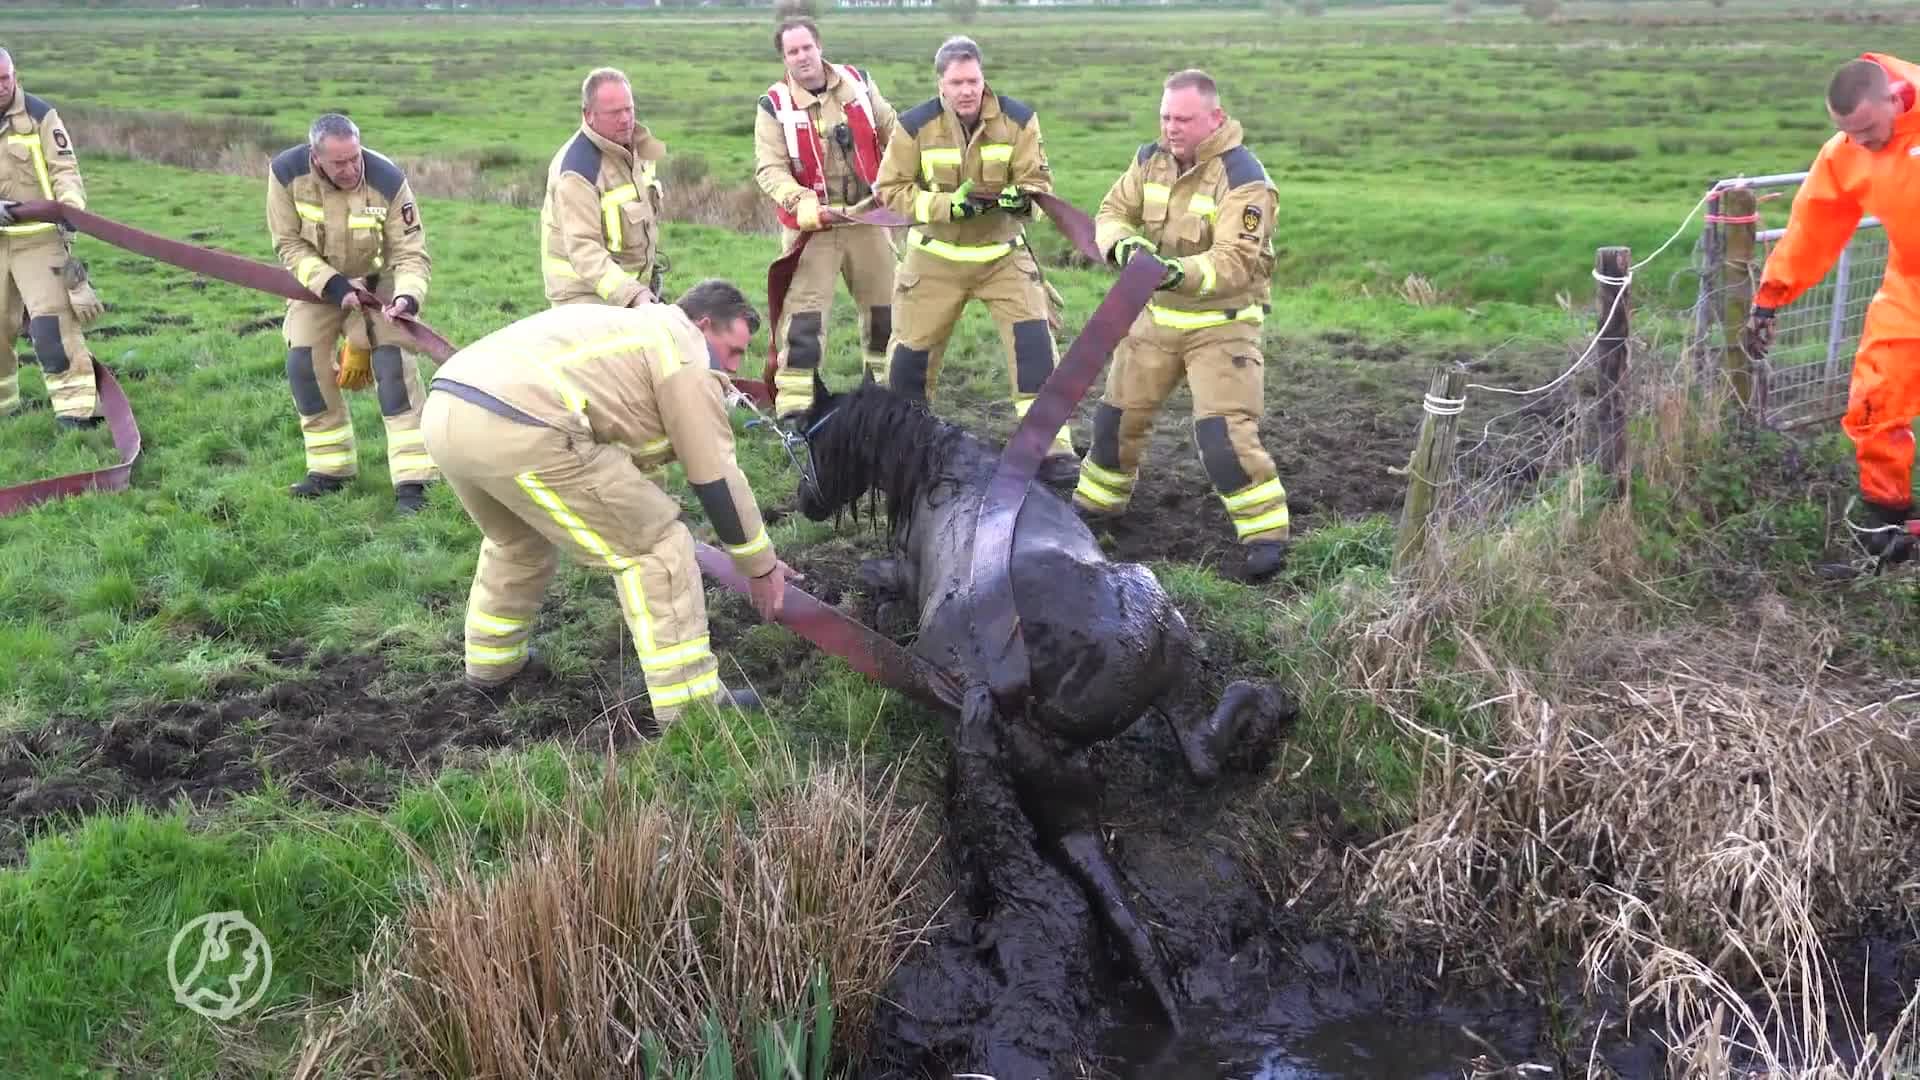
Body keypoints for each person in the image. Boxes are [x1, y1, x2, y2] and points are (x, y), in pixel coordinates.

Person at [419, 278, 796, 724]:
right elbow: (715, 476)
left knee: (518, 542)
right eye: (733, 351)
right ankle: (691, 707)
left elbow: (623, 441)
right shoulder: (684, 352)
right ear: (704, 323)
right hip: (522, 425)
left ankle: (492, 662)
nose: (732, 369)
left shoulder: (631, 331)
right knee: (657, 546)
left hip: (447, 408)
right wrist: (761, 565)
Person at [1077, 69, 1289, 580]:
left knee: (1223, 435)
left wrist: (1175, 272)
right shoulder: (1149, 160)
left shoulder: (1245, 178)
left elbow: (1235, 260)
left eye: (1184, 119)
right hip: (1154, 319)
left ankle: (1266, 536)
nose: (1171, 128)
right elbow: (1111, 211)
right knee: (1114, 423)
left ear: (1215, 118)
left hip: (1224, 323)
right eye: (1166, 116)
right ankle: (1097, 510)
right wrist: (1121, 244)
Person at [871, 34, 1077, 485]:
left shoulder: (1019, 120)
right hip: (934, 259)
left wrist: (1016, 197)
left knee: (1035, 349)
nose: (967, 91)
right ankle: (905, 447)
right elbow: (889, 190)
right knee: (909, 363)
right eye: (957, 82)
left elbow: (1038, 181)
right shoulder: (914, 125)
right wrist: (947, 207)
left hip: (1003, 257)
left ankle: (1051, 448)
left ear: (983, 79)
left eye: (974, 81)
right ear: (941, 84)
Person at [1744, 52, 1920, 564]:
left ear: (1893, 97)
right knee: (1875, 398)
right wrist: (1769, 298)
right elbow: (1812, 226)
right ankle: (1888, 522)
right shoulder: (1847, 152)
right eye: (1850, 134)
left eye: (1868, 129)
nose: (1862, 143)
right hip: (1909, 287)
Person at [266, 112, 435, 513]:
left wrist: (407, 299)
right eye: (339, 162)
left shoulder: (389, 180)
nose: (351, 168)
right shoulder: (285, 174)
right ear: (316, 156)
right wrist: (334, 286)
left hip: (381, 285)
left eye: (355, 158)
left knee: (393, 368)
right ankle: (331, 470)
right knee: (303, 363)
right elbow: (288, 243)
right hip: (318, 284)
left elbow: (411, 254)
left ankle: (416, 483)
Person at [754, 15, 899, 419]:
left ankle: (885, 392)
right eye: (792, 52)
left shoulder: (861, 83)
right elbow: (769, 168)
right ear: (784, 58)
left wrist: (896, 179)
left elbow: (895, 133)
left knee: (884, 308)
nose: (802, 57)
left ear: (820, 47)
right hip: (813, 227)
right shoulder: (774, 105)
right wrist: (798, 200)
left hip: (867, 220)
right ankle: (797, 405)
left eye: (806, 48)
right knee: (803, 317)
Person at [0, 47, 104, 429]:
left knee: (51, 328)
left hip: (39, 241)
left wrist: (71, 208)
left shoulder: (42, 116)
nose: (1, 86)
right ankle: (6, 412)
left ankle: (76, 414)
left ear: (15, 75)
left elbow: (65, 169)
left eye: (5, 78)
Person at [541, 67, 668, 309]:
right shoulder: (577, 171)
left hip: (629, 290)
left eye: (629, 109)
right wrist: (634, 295)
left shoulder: (638, 146)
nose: (625, 119)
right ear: (588, 115)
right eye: (614, 113)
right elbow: (585, 250)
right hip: (583, 297)